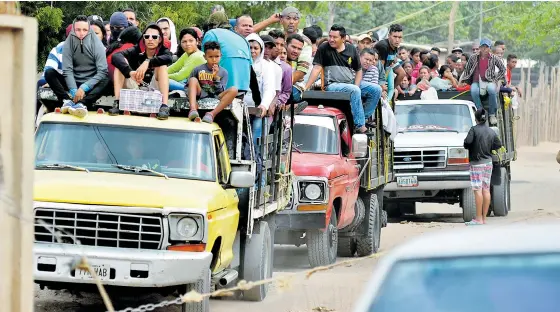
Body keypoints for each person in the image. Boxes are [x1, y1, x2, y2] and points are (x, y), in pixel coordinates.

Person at [304, 24, 382, 133]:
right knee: (354, 90)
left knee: (376, 89)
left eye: (334, 37)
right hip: (332, 85)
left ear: (343, 38)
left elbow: (358, 70)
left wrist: (356, 85)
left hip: (350, 84)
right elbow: (317, 68)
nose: (331, 39)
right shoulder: (324, 48)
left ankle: (361, 119)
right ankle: (360, 126)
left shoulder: (351, 49)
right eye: (330, 36)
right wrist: (306, 87)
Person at [45, 15, 109, 118]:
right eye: (78, 30)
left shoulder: (98, 46)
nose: (81, 33)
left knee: (106, 79)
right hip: (73, 81)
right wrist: (74, 90)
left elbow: (102, 71)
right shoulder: (67, 44)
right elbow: (67, 70)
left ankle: (82, 104)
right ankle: (66, 101)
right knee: (50, 73)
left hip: (90, 83)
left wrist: (84, 87)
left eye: (85, 30)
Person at [110, 23, 173, 119]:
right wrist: (130, 72)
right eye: (147, 36)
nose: (150, 39)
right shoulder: (136, 49)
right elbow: (115, 56)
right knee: (119, 66)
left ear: (160, 39)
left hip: (153, 89)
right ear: (143, 38)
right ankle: (117, 102)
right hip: (135, 86)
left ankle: (164, 106)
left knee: (162, 66)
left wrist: (148, 62)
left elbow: (169, 58)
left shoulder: (163, 51)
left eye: (154, 37)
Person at [463, 108, 503, 225]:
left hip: (476, 164)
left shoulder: (473, 130)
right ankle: (484, 219)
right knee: (486, 189)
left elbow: (467, 143)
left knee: (477, 190)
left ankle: (478, 218)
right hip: (488, 163)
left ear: (476, 118)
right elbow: (498, 144)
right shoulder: (491, 131)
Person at [187, 41, 238, 123]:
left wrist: (216, 78)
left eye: (217, 56)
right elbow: (187, 86)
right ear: (205, 57)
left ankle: (212, 114)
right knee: (193, 79)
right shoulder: (198, 69)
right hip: (201, 94)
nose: (214, 60)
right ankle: (193, 109)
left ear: (221, 56)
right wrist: (193, 99)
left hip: (216, 95)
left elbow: (221, 91)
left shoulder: (223, 72)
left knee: (234, 90)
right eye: (210, 57)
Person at [459, 38, 506, 125]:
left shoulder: (494, 58)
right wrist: (465, 80)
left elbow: (503, 69)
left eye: (486, 47)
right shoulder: (473, 57)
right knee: (474, 91)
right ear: (480, 47)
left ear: (489, 48)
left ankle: (492, 114)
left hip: (489, 81)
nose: (484, 49)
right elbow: (467, 69)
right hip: (476, 81)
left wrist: (496, 79)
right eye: (482, 47)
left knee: (492, 91)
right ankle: (481, 112)